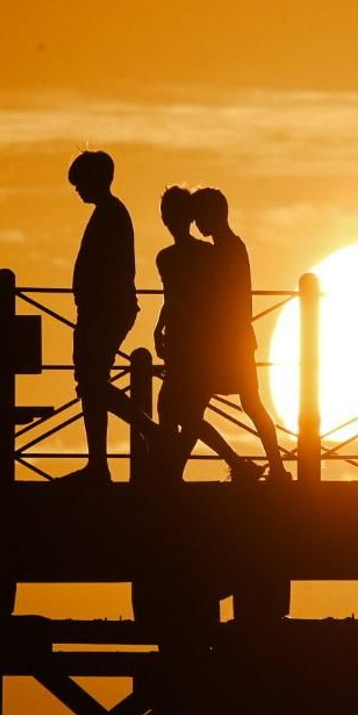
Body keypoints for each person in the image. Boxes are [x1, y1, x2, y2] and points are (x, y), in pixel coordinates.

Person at [153, 187, 258, 482]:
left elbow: (184, 299)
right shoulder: (195, 254)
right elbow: (173, 299)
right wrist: (160, 326)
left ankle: (172, 471)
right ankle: (178, 469)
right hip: (186, 338)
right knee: (180, 411)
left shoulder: (177, 257)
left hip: (192, 342)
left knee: (179, 411)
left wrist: (161, 327)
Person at [65, 150, 158, 482]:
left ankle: (144, 434)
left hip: (103, 311)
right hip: (100, 310)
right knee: (92, 383)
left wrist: (91, 302)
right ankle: (100, 461)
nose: (77, 190)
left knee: (92, 383)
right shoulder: (110, 213)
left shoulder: (110, 215)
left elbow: (108, 269)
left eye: (80, 183)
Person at [192, 188, 291, 480]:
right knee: (249, 404)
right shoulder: (233, 247)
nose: (197, 223)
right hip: (236, 340)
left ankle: (263, 465)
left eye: (200, 217)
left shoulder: (225, 251)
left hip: (227, 342)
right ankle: (275, 466)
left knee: (198, 406)